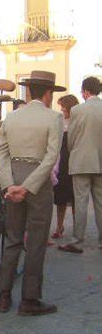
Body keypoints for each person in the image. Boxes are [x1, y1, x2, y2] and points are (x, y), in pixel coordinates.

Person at [0, 70, 64, 316]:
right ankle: (29, 300)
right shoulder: (54, 118)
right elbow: (50, 157)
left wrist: (9, 184)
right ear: (47, 94)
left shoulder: (12, 117)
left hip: (14, 176)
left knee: (13, 238)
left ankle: (4, 295)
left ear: (28, 91)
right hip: (38, 183)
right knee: (35, 242)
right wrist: (29, 185)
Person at [59, 77, 102, 253]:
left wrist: (73, 151)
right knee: (100, 203)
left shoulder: (78, 110)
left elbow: (72, 137)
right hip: (100, 161)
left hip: (81, 160)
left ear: (85, 91)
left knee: (81, 201)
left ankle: (77, 241)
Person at [50, 94, 78, 238]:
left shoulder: (77, 121)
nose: (61, 109)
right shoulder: (60, 121)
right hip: (61, 162)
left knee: (75, 199)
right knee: (60, 198)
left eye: (63, 106)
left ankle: (76, 229)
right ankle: (59, 227)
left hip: (73, 161)